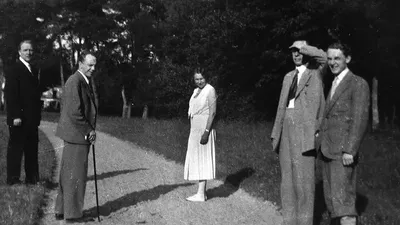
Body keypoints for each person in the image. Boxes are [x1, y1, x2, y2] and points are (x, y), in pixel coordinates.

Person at [270, 40, 326, 225]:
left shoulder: (315, 73)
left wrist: (306, 48)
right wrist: (276, 133)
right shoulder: (287, 77)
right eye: (293, 51)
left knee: (305, 184)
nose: (296, 54)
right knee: (287, 182)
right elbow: (280, 106)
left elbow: (325, 58)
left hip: (305, 133)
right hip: (286, 129)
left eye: (300, 51)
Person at [318, 42, 370, 225]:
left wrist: (350, 150)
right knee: (332, 202)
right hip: (327, 150)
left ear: (347, 59)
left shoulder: (358, 83)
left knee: (344, 204)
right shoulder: (333, 82)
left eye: (337, 58)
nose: (332, 62)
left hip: (342, 154)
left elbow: (360, 119)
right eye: (329, 58)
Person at [54, 51, 97, 223]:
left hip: (75, 136)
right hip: (77, 135)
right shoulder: (75, 81)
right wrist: (89, 130)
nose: (93, 68)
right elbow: (75, 112)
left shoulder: (81, 81)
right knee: (75, 175)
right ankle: (72, 215)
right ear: (80, 64)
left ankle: (62, 210)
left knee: (68, 174)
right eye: (89, 65)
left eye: (94, 65)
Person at [4, 40, 42, 185]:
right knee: (16, 150)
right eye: (25, 50)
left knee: (31, 149)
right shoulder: (14, 69)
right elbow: (11, 94)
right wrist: (15, 116)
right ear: (19, 52)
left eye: (31, 50)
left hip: (31, 118)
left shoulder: (32, 68)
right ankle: (13, 180)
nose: (28, 53)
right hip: (19, 118)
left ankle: (32, 179)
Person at [184, 67, 217, 202]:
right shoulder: (196, 91)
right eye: (196, 79)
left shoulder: (210, 90)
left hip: (204, 128)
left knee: (203, 159)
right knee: (197, 159)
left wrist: (206, 132)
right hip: (195, 129)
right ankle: (200, 192)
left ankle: (201, 194)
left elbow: (213, 112)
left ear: (206, 78)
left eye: (201, 78)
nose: (199, 81)